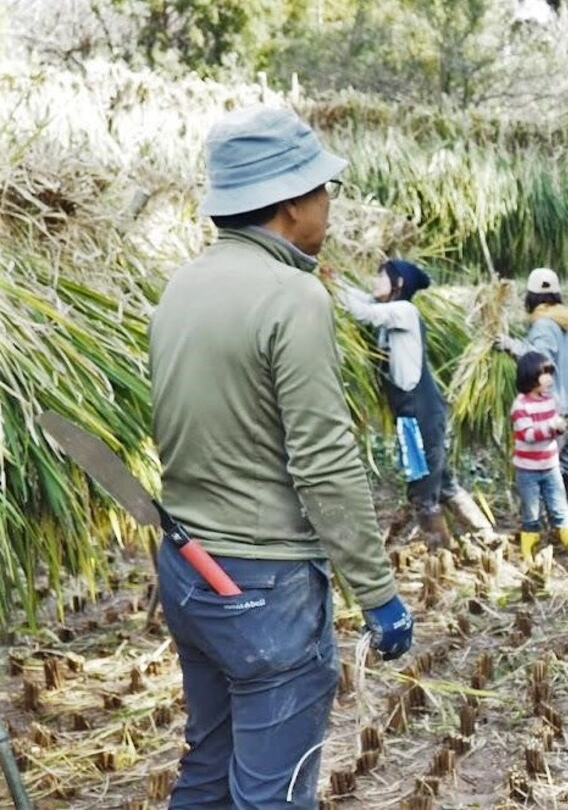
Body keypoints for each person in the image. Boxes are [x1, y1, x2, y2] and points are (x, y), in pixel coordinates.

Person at [149, 106, 412, 808]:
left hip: (189, 567)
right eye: (324, 188)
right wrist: (378, 593)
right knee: (273, 792)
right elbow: (324, 460)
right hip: (264, 588)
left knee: (208, 767)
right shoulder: (292, 295)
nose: (329, 202)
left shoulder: (183, 285)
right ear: (292, 201)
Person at [334, 259, 495, 548]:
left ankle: (441, 556)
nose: (374, 281)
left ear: (398, 284)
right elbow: (361, 298)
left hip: (422, 414)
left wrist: (328, 286)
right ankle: (487, 537)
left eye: (381, 277)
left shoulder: (403, 311)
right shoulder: (389, 309)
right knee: (443, 483)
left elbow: (362, 311)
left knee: (423, 491)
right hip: (409, 416)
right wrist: (332, 279)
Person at [499, 269, 568, 532]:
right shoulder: (561, 322)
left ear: (531, 297)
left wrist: (510, 345)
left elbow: (539, 362)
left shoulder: (543, 325)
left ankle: (561, 526)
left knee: (547, 469)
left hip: (553, 409)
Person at [510, 351, 568, 562]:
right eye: (545, 374)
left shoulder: (549, 400)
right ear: (530, 376)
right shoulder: (520, 406)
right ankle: (529, 557)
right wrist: (552, 426)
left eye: (550, 373)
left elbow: (552, 429)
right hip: (527, 470)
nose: (550, 379)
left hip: (550, 466)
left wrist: (562, 427)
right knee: (531, 514)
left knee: (560, 509)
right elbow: (528, 434)